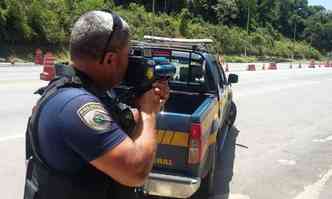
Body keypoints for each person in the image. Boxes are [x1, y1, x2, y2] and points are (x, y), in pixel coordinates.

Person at [23, 10, 169, 199]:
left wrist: (148, 102)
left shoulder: (83, 91)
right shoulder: (76, 105)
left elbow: (117, 119)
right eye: (127, 56)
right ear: (109, 59)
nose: (129, 64)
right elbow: (136, 171)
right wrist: (149, 114)